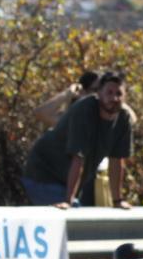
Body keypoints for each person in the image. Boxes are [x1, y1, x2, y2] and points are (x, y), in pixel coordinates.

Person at [22, 70, 133, 209]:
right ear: (98, 93)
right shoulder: (84, 110)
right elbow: (78, 157)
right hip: (44, 174)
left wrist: (118, 201)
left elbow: (117, 161)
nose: (114, 98)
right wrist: (68, 200)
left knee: (81, 213)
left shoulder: (123, 117)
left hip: (67, 181)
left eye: (119, 94)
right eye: (109, 93)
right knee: (72, 215)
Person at [34, 71, 99, 127]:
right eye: (96, 90)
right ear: (83, 92)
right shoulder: (74, 121)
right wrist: (69, 92)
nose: (99, 94)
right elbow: (41, 113)